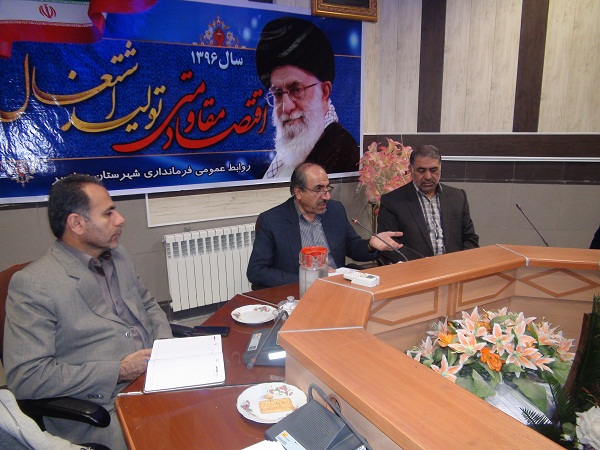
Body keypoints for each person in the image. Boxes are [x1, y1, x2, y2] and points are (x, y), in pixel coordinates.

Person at [3, 174, 173, 450]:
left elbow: (148, 303)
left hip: (157, 379)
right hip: (106, 407)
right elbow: (27, 377)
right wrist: (118, 371)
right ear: (77, 224)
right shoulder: (34, 284)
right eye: (108, 213)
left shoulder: (118, 254)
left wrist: (165, 348)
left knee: (219, 409)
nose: (120, 219)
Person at [247, 162, 402, 289]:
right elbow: (257, 271)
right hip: (299, 291)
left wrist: (370, 244)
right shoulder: (272, 220)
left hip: (337, 287)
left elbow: (352, 247)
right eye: (318, 189)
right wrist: (308, 277)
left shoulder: (335, 210)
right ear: (299, 192)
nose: (327, 196)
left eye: (327, 188)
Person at [255, 17, 359, 179]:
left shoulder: (342, 152)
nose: (286, 107)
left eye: (296, 90)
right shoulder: (288, 155)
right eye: (278, 94)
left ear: (324, 92)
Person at [377, 145, 479, 262]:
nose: (428, 176)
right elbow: (389, 245)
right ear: (410, 170)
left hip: (454, 267)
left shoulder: (457, 197)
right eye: (421, 171)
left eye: (433, 170)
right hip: (415, 269)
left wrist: (460, 263)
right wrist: (425, 266)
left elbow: (470, 238)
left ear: (440, 168)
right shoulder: (392, 201)